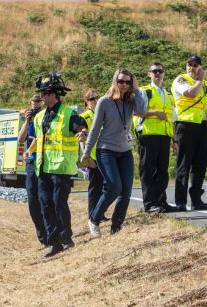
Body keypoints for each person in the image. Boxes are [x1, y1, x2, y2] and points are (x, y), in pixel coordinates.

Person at [82, 69, 147, 237]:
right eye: (121, 81)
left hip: (125, 151)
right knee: (114, 188)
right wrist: (86, 153)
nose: (124, 85)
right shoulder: (104, 101)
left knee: (126, 191)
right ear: (114, 81)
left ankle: (116, 228)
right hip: (106, 151)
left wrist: (137, 89)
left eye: (128, 82)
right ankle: (94, 219)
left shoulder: (131, 100)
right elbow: (95, 129)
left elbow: (142, 111)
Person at [32, 74, 88, 256]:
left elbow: (82, 127)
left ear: (53, 94)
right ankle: (53, 243)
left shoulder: (68, 113)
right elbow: (39, 139)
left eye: (44, 93)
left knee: (58, 203)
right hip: (43, 167)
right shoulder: (39, 117)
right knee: (45, 204)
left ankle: (66, 238)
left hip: (61, 167)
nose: (41, 97)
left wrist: (83, 134)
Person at [172, 55, 207, 211]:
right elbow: (190, 93)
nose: (191, 67)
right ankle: (180, 202)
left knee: (200, 165)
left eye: (195, 65)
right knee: (184, 165)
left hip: (202, 127)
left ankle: (196, 200)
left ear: (200, 67)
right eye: (189, 64)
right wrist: (200, 80)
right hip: (186, 126)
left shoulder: (206, 85)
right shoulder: (181, 80)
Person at [133, 63, 176, 213]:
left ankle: (161, 202)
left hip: (164, 136)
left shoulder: (168, 94)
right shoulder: (144, 91)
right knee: (148, 170)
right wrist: (155, 113)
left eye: (160, 71)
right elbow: (135, 112)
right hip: (148, 134)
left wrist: (175, 140)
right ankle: (150, 204)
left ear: (164, 73)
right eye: (154, 71)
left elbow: (173, 118)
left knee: (162, 172)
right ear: (148, 74)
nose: (158, 73)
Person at [17, 94, 47, 246]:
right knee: (32, 201)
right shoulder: (29, 120)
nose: (36, 105)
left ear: (43, 103)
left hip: (45, 162)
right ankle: (42, 234)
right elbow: (20, 140)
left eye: (39, 102)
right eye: (34, 102)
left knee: (45, 199)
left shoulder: (46, 117)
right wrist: (27, 120)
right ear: (30, 104)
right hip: (31, 163)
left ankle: (49, 233)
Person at [79, 89, 103, 220]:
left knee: (102, 186)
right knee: (94, 187)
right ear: (86, 102)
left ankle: (100, 213)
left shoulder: (100, 113)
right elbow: (81, 139)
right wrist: (85, 156)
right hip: (92, 155)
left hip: (103, 153)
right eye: (92, 99)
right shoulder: (85, 116)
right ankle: (93, 214)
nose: (95, 101)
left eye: (96, 97)